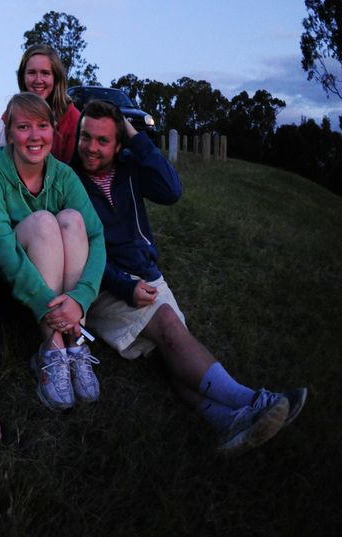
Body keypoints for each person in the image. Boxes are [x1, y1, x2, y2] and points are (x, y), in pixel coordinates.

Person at [72, 100, 306, 454]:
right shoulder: (68, 179)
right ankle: (254, 401)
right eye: (86, 137)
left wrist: (136, 137)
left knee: (174, 349)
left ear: (118, 144)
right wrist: (124, 285)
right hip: (103, 283)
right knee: (168, 326)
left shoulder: (129, 166)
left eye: (103, 140)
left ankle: (227, 423)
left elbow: (172, 191)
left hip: (145, 273)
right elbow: (78, 252)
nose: (91, 147)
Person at [0, 92, 106, 412]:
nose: (34, 136)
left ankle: (75, 344)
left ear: (53, 131)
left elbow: (97, 236)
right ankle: (53, 347)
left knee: (73, 220)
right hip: (9, 284)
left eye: (43, 126)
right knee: (45, 222)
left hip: (63, 292)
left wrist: (81, 298)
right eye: (23, 127)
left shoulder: (63, 175)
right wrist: (45, 306)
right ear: (9, 134)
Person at [17, 44, 79, 163]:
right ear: (22, 77)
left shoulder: (72, 118)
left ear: (56, 77)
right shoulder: (13, 114)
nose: (38, 80)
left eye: (45, 73)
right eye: (32, 73)